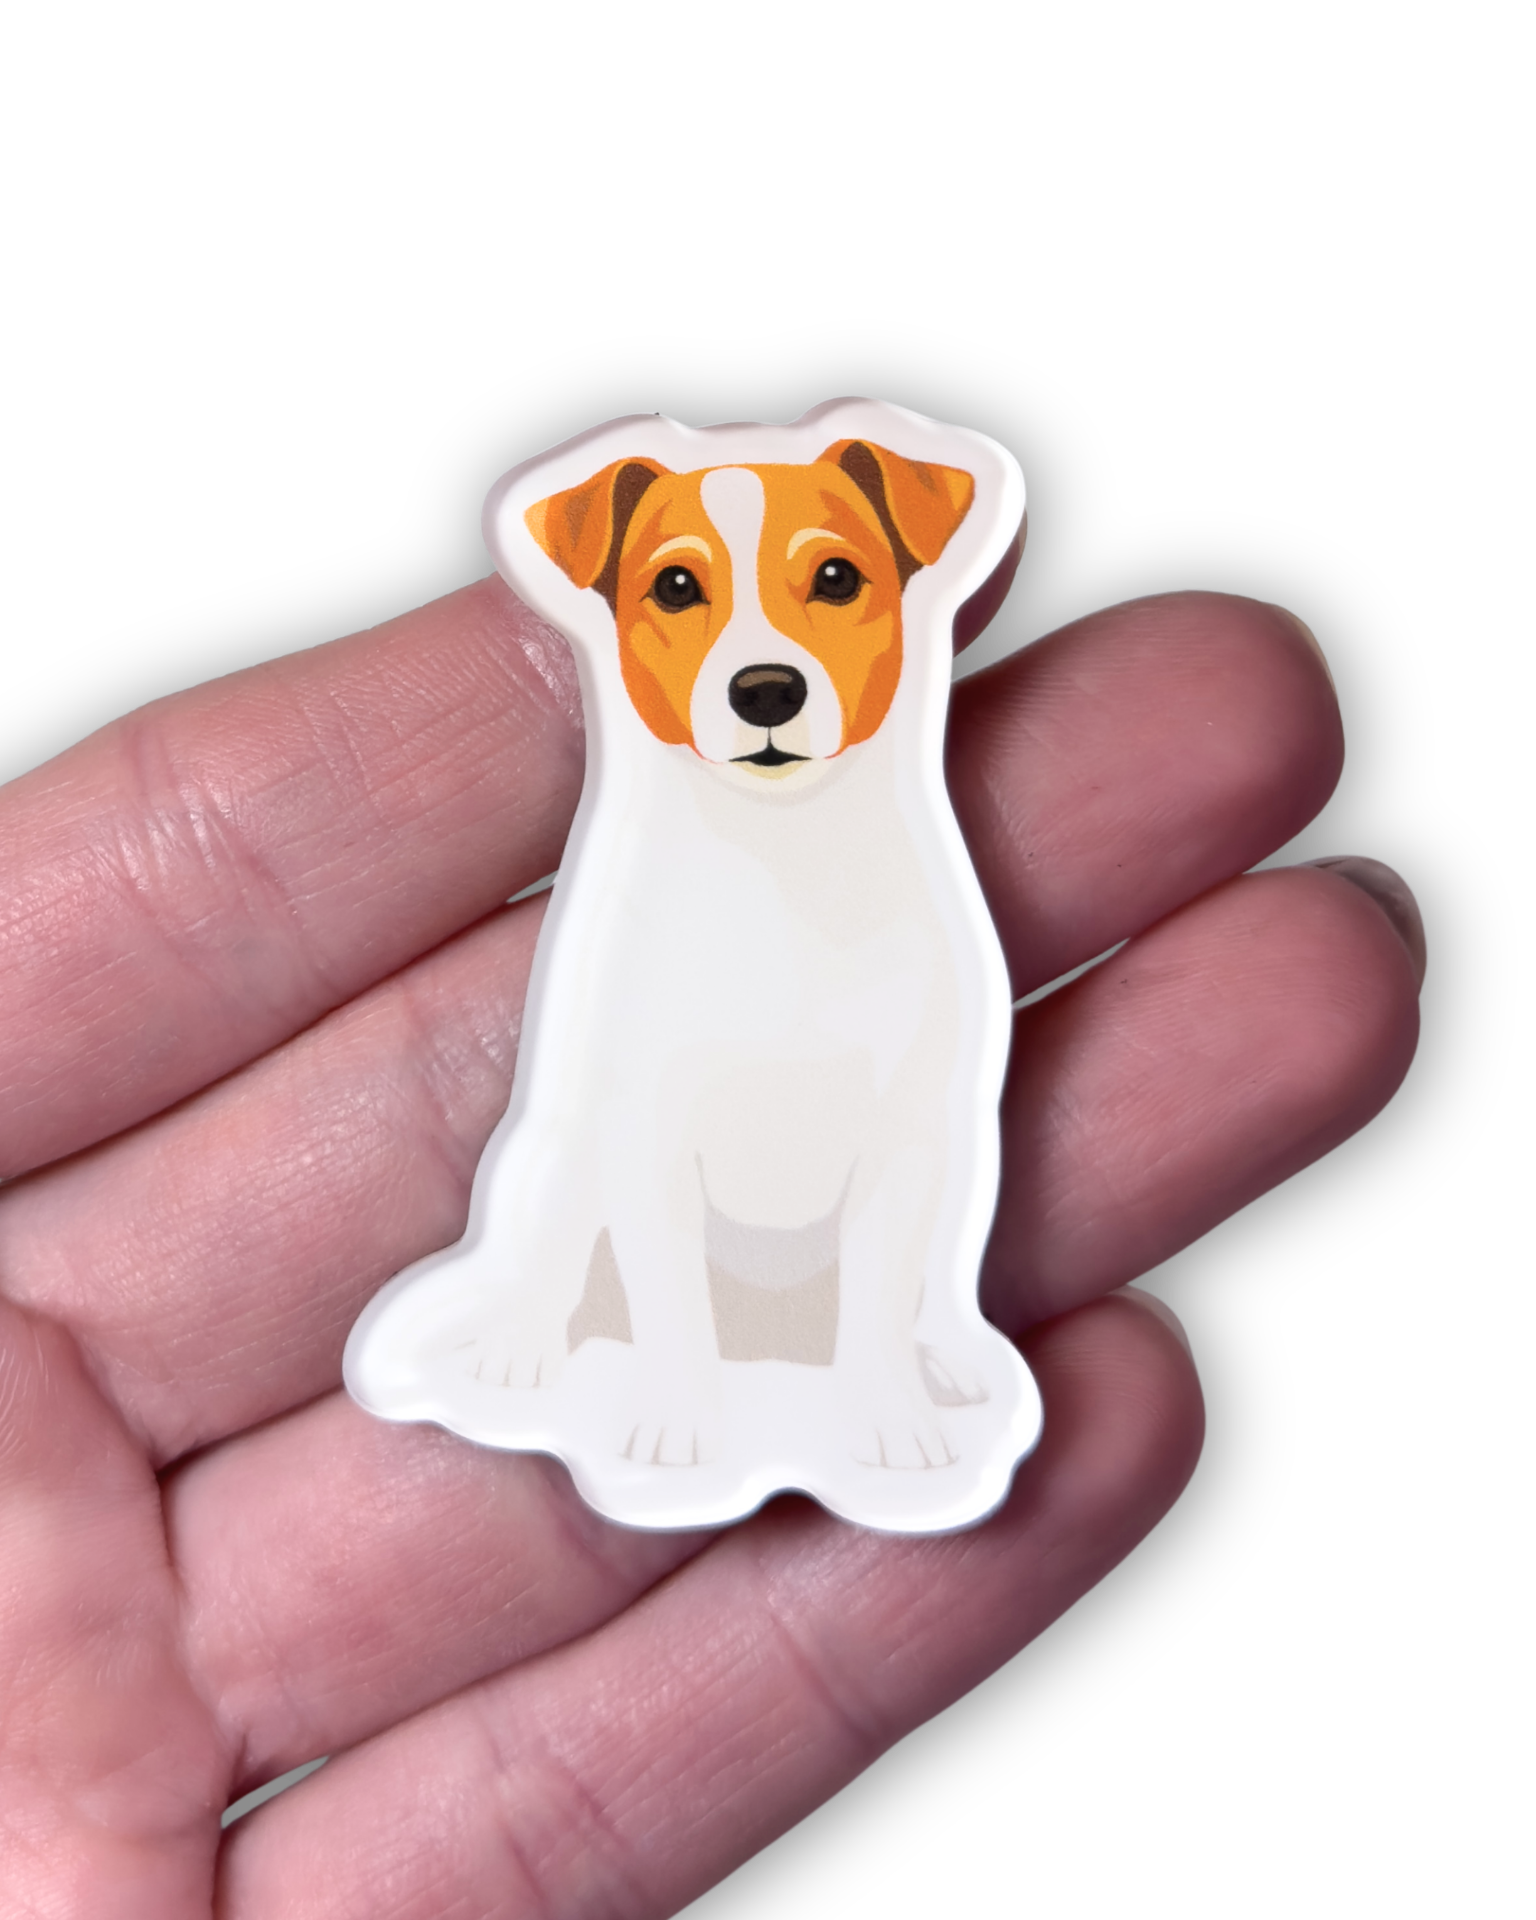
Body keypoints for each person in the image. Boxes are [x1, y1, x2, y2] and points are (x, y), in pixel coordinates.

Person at [0, 572, 1424, 1915]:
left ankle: (885, 1358)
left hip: (854, 1256)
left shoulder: (920, 883)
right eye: (682, 590)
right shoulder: (638, 892)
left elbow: (920, 1139)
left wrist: (904, 1348)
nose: (765, 656)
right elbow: (623, 1150)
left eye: (830, 584)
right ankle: (567, 1333)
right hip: (619, 1276)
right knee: (607, 1126)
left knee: (920, 1122)